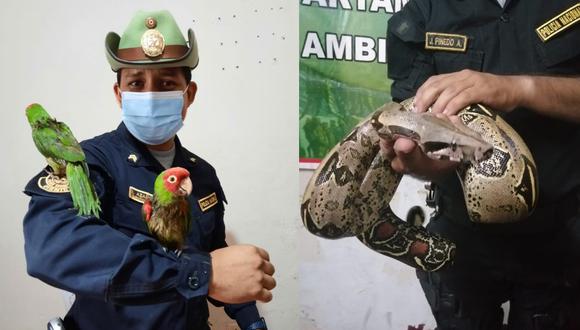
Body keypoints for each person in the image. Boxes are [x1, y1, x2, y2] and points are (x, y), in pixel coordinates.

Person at [23, 10, 273, 330]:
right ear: (120, 95)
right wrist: (199, 272)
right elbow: (53, 244)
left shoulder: (202, 174)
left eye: (167, 83)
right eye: (137, 83)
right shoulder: (87, 161)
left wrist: (250, 318)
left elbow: (213, 253)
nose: (151, 95)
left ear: (189, 95)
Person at [384, 0, 580, 329]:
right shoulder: (424, 11)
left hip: (560, 235)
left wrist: (519, 89)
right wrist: (421, 163)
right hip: (462, 236)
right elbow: (419, 136)